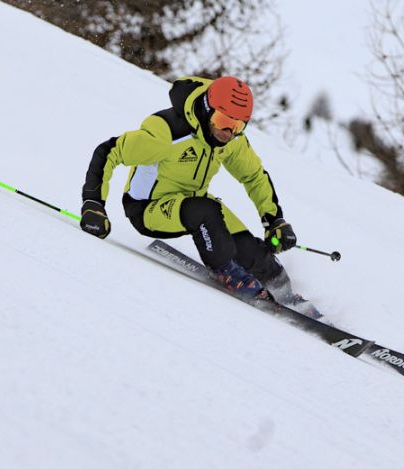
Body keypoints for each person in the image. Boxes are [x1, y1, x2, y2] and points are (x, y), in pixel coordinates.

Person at [79, 75, 303, 303]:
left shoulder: (231, 140)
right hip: (148, 208)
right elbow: (109, 152)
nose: (228, 132)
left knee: (253, 252)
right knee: (206, 211)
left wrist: (274, 221)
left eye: (237, 126)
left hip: (194, 202)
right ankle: (227, 272)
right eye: (223, 120)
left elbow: (254, 176)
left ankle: (287, 295)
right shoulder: (166, 134)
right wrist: (94, 204)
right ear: (207, 109)